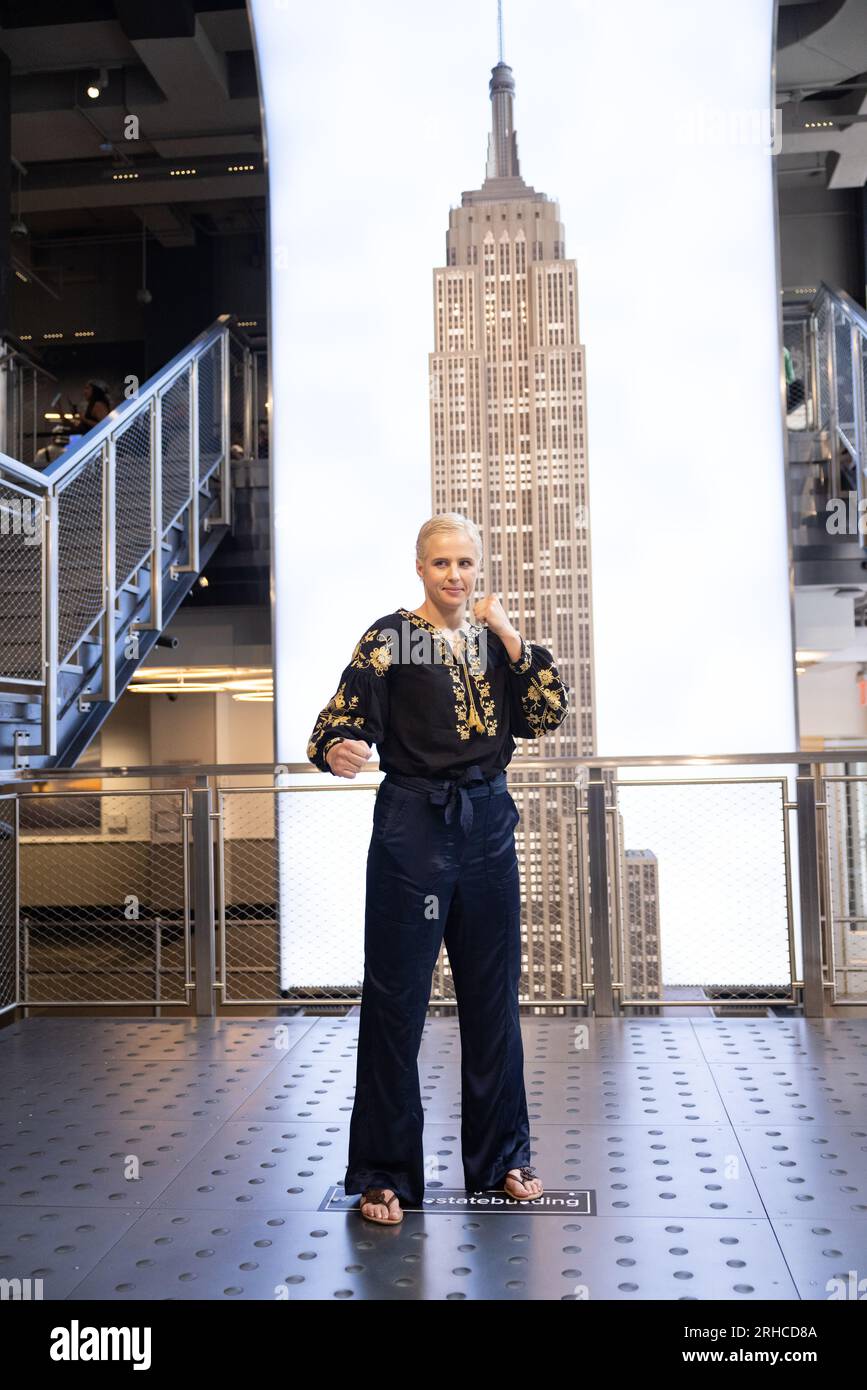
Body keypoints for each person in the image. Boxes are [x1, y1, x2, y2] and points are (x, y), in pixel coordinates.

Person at [307, 511, 571, 1224]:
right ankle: (383, 1174)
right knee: (396, 1002)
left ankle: (503, 1160)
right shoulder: (388, 637)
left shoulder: (495, 640)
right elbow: (341, 716)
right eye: (439, 564)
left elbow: (546, 714)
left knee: (492, 999)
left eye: (463, 563)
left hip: (486, 825)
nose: (453, 576)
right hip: (413, 827)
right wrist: (338, 748)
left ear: (476, 568)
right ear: (419, 569)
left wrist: (510, 631)